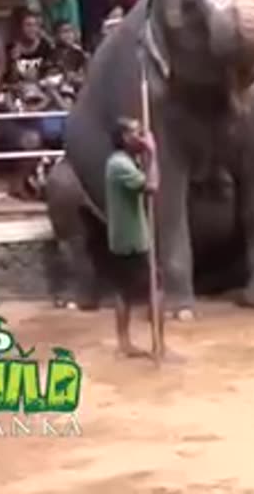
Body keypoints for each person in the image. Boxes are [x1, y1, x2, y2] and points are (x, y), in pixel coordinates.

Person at [104, 117, 162, 359]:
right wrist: (153, 152)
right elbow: (152, 186)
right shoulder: (120, 165)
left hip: (123, 236)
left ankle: (124, 342)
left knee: (124, 291)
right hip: (132, 239)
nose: (142, 136)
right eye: (137, 133)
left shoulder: (123, 161)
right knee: (156, 287)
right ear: (125, 138)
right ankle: (159, 345)